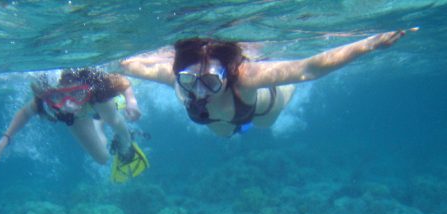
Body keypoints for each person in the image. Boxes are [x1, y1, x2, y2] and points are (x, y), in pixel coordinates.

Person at [120, 30, 414, 137]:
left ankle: (278, 101)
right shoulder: (175, 78)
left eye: (210, 82)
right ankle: (234, 129)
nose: (198, 91)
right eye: (188, 80)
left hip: (259, 109)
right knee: (222, 134)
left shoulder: (246, 77)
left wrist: (369, 45)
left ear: (227, 75)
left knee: (265, 124)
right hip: (219, 119)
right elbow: (128, 65)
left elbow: (308, 69)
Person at [0, 67, 149, 182]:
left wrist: (131, 102)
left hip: (94, 102)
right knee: (102, 158)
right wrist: (4, 139)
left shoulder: (98, 87)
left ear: (86, 88)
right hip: (76, 118)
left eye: (76, 93)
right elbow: (26, 112)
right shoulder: (44, 99)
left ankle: (124, 140)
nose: (68, 104)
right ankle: (97, 122)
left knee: (114, 120)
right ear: (48, 96)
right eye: (57, 97)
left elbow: (123, 82)